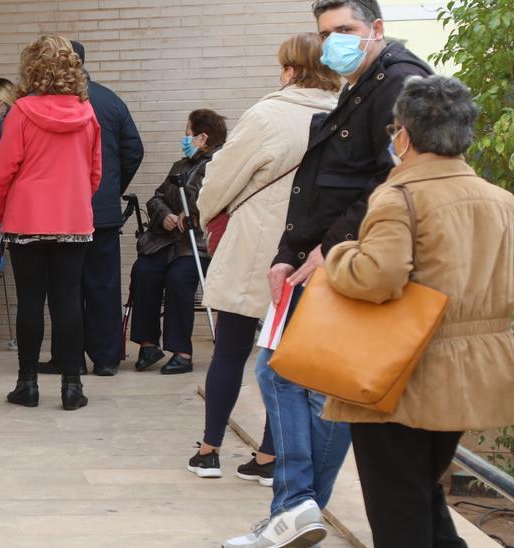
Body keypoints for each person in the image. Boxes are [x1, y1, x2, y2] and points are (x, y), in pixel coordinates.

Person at [223, 1, 432, 546]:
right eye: (325, 33)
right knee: (298, 377)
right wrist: (289, 250)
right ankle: (296, 509)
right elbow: (331, 178)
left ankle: (295, 506)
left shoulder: (398, 83)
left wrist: (333, 247)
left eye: (346, 30)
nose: (333, 41)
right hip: (327, 254)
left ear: (376, 30)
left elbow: (396, 177)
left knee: (293, 375)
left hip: (353, 260)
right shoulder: (363, 83)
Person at [325, 75, 514, 548]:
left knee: (397, 514)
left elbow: (377, 277)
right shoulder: (502, 202)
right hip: (471, 373)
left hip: (401, 373)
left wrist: (340, 255)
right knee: (422, 497)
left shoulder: (401, 195)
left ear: (404, 135)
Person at [188, 34, 340, 484]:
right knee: (285, 357)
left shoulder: (269, 113)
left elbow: (223, 177)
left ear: (290, 69)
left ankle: (209, 450)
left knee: (231, 349)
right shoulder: (348, 115)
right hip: (313, 255)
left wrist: (207, 213)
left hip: (259, 245)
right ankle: (271, 456)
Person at [0, 34, 102, 411]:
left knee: (30, 301)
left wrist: (0, 210)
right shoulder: (88, 113)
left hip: (27, 218)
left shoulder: (21, 112)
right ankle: (72, 386)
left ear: (32, 66)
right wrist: (75, 200)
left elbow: (3, 171)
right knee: (69, 300)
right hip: (73, 220)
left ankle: (28, 385)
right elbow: (95, 172)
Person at [129, 109, 224, 376]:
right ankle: (148, 345)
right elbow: (157, 196)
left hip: (198, 243)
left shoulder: (221, 165)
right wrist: (166, 215)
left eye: (187, 133)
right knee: (144, 271)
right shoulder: (180, 165)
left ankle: (182, 351)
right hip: (168, 240)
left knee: (178, 279)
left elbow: (219, 199)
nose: (184, 138)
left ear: (202, 137)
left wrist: (193, 213)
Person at [71, 40, 145, 377]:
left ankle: (70, 357)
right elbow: (134, 150)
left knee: (66, 286)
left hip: (64, 215)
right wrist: (112, 188)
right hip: (102, 212)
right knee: (104, 285)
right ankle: (106, 358)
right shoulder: (110, 100)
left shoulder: (49, 102)